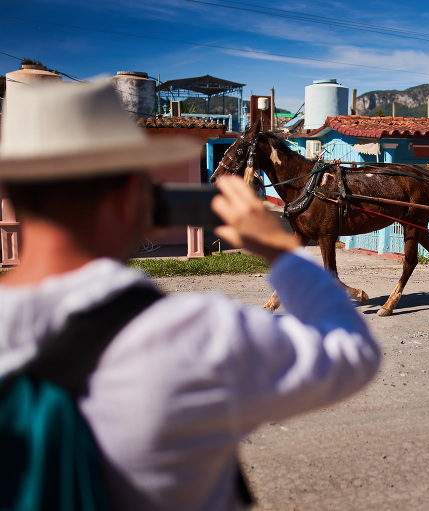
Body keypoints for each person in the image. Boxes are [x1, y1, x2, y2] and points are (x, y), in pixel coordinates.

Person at [0, 81, 380, 510]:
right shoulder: (190, 330)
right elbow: (353, 352)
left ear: (11, 193)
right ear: (132, 194)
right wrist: (280, 253)